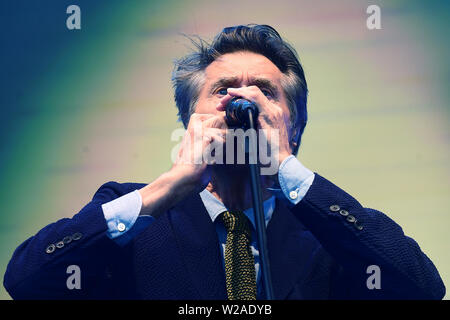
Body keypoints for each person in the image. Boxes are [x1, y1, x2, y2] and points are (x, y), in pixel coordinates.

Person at [3, 24, 445, 300]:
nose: (242, 101)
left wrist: (287, 167)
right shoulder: (134, 213)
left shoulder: (328, 228)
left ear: (294, 127)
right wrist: (168, 187)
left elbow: (422, 289)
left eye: (265, 93)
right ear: (189, 121)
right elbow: (28, 281)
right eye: (223, 90)